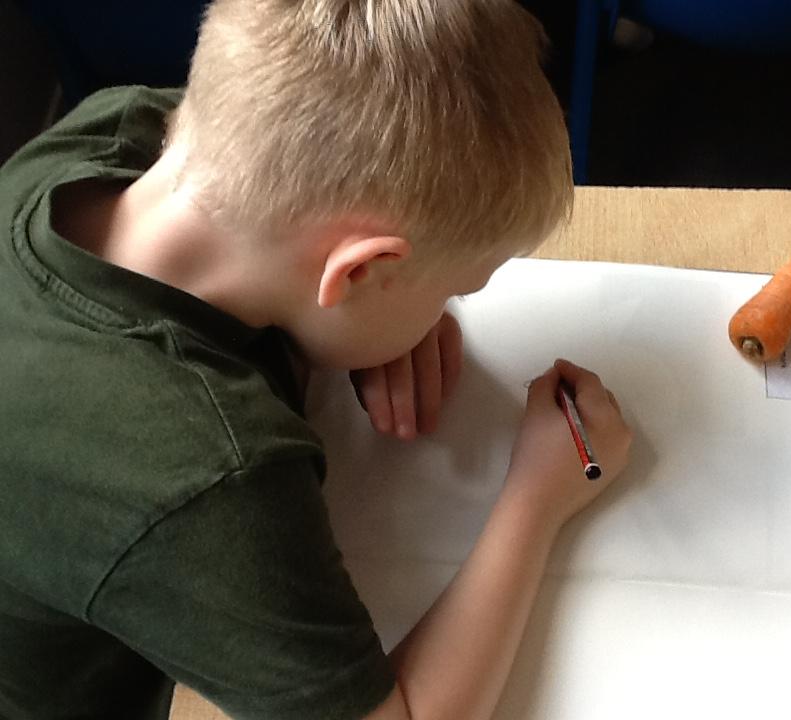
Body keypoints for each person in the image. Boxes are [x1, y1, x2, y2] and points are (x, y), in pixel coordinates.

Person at [0, 1, 633, 718]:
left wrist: (366, 326)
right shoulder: (206, 476)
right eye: (450, 292)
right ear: (359, 271)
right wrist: (538, 496)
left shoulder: (120, 126)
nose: (444, 313)